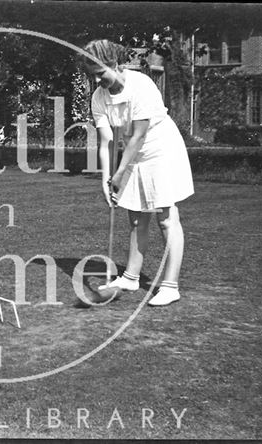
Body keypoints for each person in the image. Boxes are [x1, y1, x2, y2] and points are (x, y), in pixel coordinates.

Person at [82, 39, 194, 307]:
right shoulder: (98, 97)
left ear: (115, 64)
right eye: (92, 76)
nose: (98, 80)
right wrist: (105, 179)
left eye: (101, 73)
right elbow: (106, 141)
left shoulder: (141, 84)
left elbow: (140, 135)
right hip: (133, 154)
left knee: (166, 218)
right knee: (136, 219)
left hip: (160, 148)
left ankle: (170, 286)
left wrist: (119, 174)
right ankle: (131, 277)